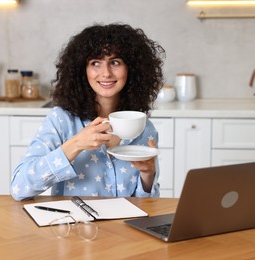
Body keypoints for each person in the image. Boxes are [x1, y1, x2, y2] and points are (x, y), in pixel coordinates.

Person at [10, 23, 165, 201]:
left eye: (115, 62)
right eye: (95, 63)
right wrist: (75, 144)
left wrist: (148, 175)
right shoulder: (61, 120)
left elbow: (147, 204)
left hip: (125, 227)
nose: (106, 73)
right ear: (82, 70)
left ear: (131, 69)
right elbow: (19, 188)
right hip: (75, 227)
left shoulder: (144, 129)